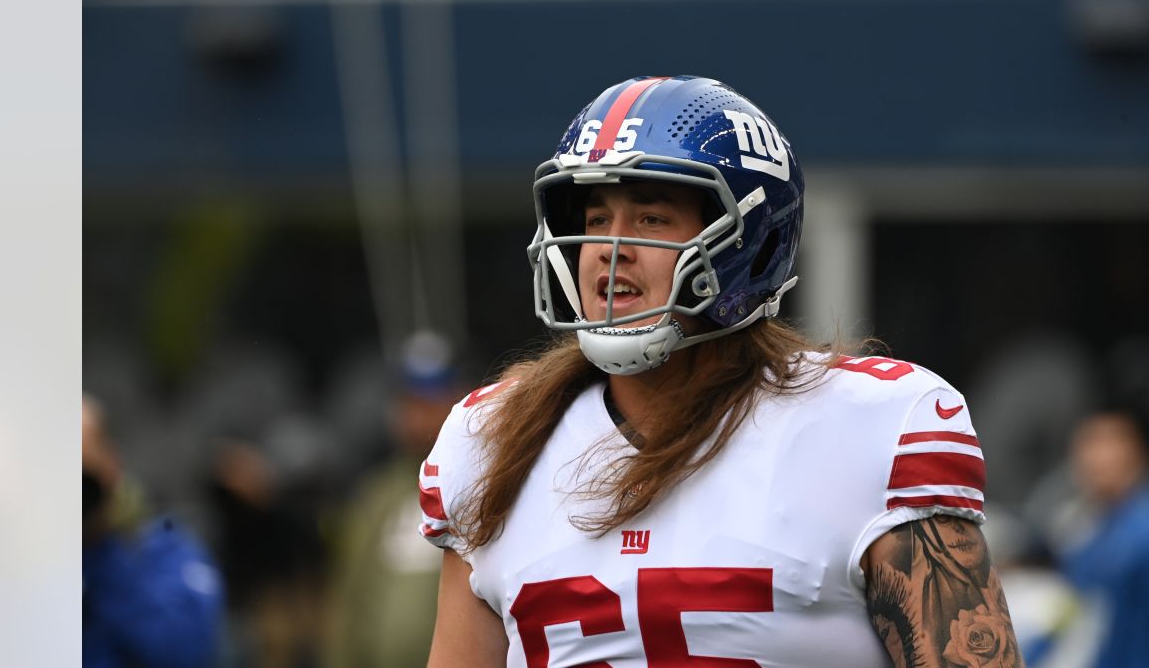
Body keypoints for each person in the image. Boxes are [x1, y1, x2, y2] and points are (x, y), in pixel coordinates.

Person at [417, 76, 1024, 667]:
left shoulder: (873, 423)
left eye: (651, 219)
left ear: (748, 244)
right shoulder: (490, 438)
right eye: (595, 219)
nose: (610, 246)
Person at [327, 331, 462, 668]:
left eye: (431, 403)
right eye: (410, 403)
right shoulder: (375, 495)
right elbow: (349, 595)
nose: (419, 416)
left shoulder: (477, 486)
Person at [82, 394, 225, 668]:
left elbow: (183, 653)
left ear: (111, 464)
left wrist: (100, 546)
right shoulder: (16, 561)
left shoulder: (166, 551)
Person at [1056, 410, 1149, 668]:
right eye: (1086, 445)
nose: (1094, 458)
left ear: (1136, 452)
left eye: (1107, 443)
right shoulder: (1084, 530)